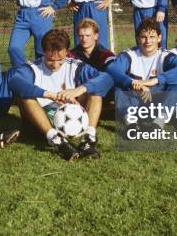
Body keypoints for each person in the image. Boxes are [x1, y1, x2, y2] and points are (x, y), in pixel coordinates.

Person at [9, 29, 114, 161]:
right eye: (50, 60)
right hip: (40, 122)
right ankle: (56, 140)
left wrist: (79, 90)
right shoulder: (32, 68)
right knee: (25, 96)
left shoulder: (75, 66)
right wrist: (49, 95)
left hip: (71, 118)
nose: (56, 64)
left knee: (95, 91)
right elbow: (14, 82)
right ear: (43, 52)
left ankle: (88, 139)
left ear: (66, 52)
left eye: (60, 59)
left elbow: (107, 78)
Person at [107, 18, 177, 131]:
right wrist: (133, 83)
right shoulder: (129, 55)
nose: (148, 41)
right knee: (118, 84)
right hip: (134, 102)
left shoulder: (166, 56)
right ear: (138, 38)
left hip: (158, 103)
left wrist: (154, 81)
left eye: (152, 37)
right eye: (144, 37)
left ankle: (158, 124)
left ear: (159, 38)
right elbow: (112, 70)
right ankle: (131, 124)